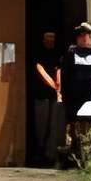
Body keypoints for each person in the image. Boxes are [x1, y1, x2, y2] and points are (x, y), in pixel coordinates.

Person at [61, 21, 91, 161]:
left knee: (88, 124)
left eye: (88, 36)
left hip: (88, 96)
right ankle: (74, 152)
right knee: (73, 124)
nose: (87, 39)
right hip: (73, 97)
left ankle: (89, 154)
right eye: (84, 36)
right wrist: (64, 95)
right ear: (79, 37)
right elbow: (65, 75)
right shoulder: (71, 53)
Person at [31, 28, 63, 167]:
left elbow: (59, 70)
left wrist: (58, 86)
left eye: (52, 38)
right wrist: (53, 85)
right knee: (41, 126)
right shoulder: (38, 53)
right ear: (43, 39)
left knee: (53, 126)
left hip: (53, 96)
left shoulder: (57, 53)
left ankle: (50, 155)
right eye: (48, 38)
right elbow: (40, 69)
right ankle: (40, 154)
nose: (50, 41)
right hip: (41, 95)